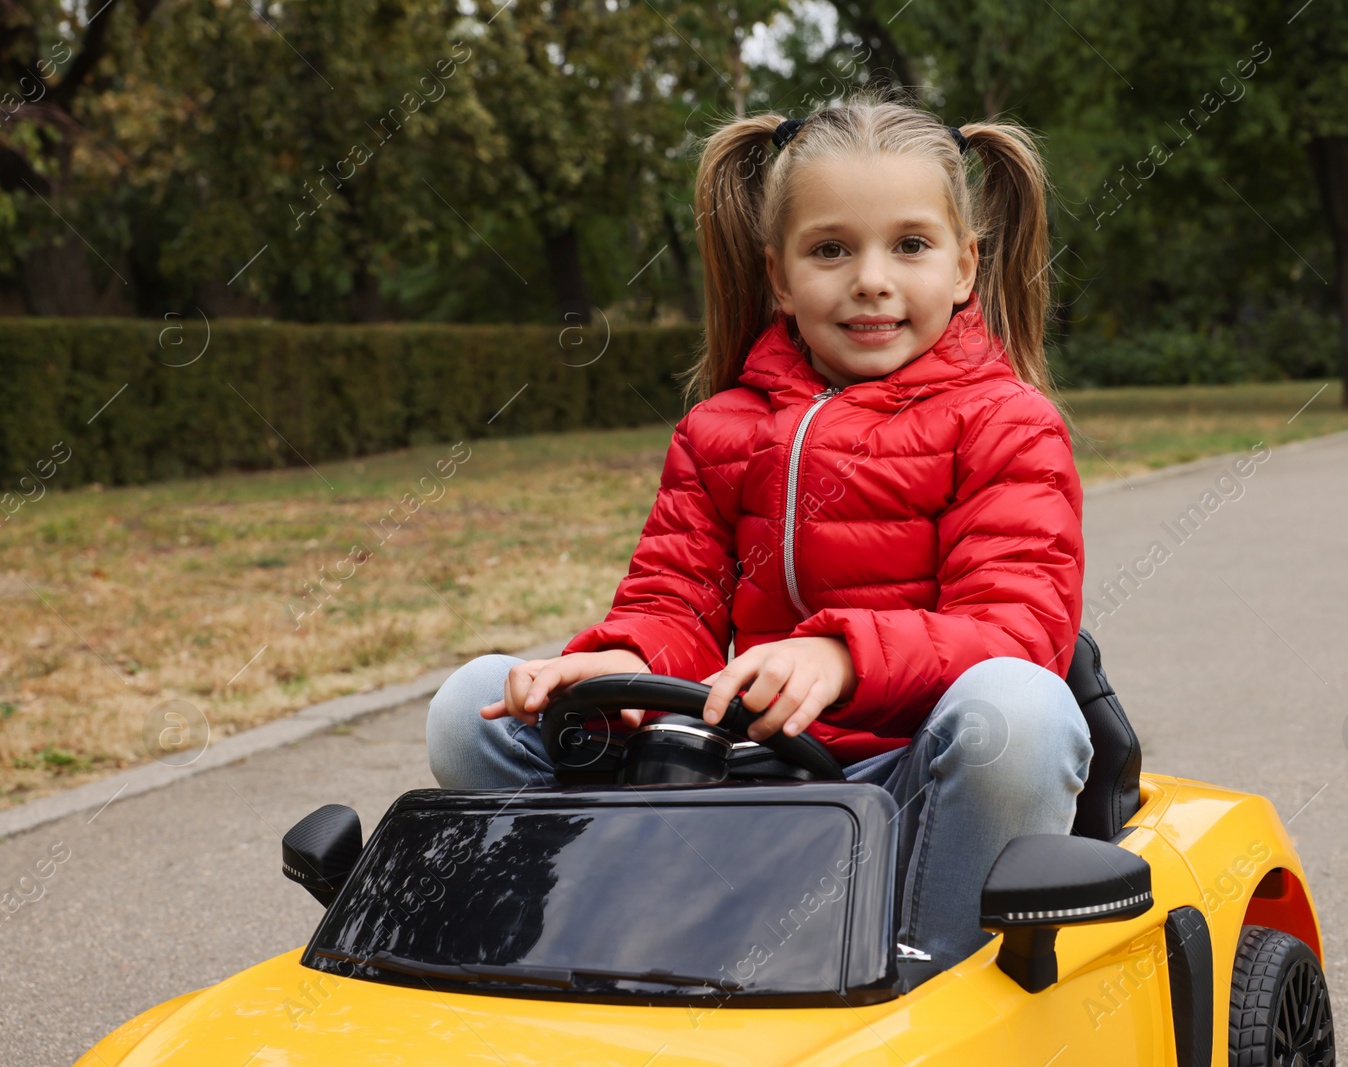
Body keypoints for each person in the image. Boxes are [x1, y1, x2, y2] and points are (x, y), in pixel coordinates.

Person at [427, 92, 1092, 969]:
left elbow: (1017, 629)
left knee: (1024, 710)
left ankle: (934, 970)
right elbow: (676, 604)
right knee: (470, 708)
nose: (871, 279)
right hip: (744, 782)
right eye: (830, 250)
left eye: (911, 245)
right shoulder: (719, 430)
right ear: (779, 275)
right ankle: (580, 935)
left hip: (914, 784)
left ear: (966, 266)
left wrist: (842, 655)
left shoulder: (1007, 423)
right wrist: (628, 662)